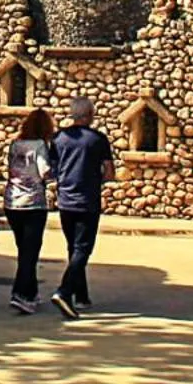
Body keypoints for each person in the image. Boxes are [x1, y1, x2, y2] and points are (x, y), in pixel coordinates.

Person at [49, 95, 113, 319]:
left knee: (73, 247)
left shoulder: (58, 138)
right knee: (83, 248)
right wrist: (96, 179)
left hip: (65, 200)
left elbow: (52, 167)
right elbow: (109, 171)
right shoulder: (98, 139)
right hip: (87, 200)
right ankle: (65, 292)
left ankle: (82, 296)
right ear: (90, 115)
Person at [3, 106, 55, 314]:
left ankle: (31, 293)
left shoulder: (15, 145)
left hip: (12, 202)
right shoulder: (40, 146)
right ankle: (21, 294)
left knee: (24, 250)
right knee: (30, 252)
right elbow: (45, 172)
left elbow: (10, 169)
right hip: (33, 203)